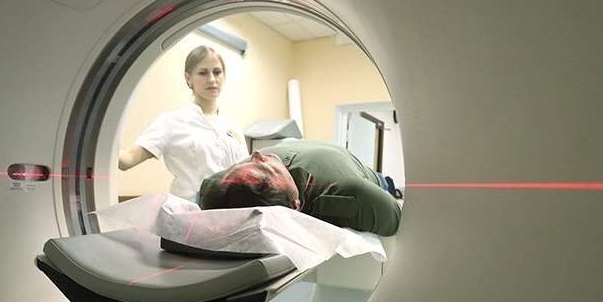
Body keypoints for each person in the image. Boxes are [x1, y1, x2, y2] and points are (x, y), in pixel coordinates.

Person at [117, 46, 248, 202]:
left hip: (232, 211)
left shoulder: (233, 127)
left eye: (217, 72)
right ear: (188, 78)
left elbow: (246, 174)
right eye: (203, 73)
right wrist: (98, 138)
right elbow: (128, 160)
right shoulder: (171, 122)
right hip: (190, 212)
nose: (212, 79)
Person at [198, 140, 402, 236]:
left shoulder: (218, 187)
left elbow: (209, 187)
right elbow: (393, 216)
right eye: (266, 167)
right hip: (375, 178)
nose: (257, 155)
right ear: (296, 205)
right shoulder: (346, 195)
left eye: (247, 163)